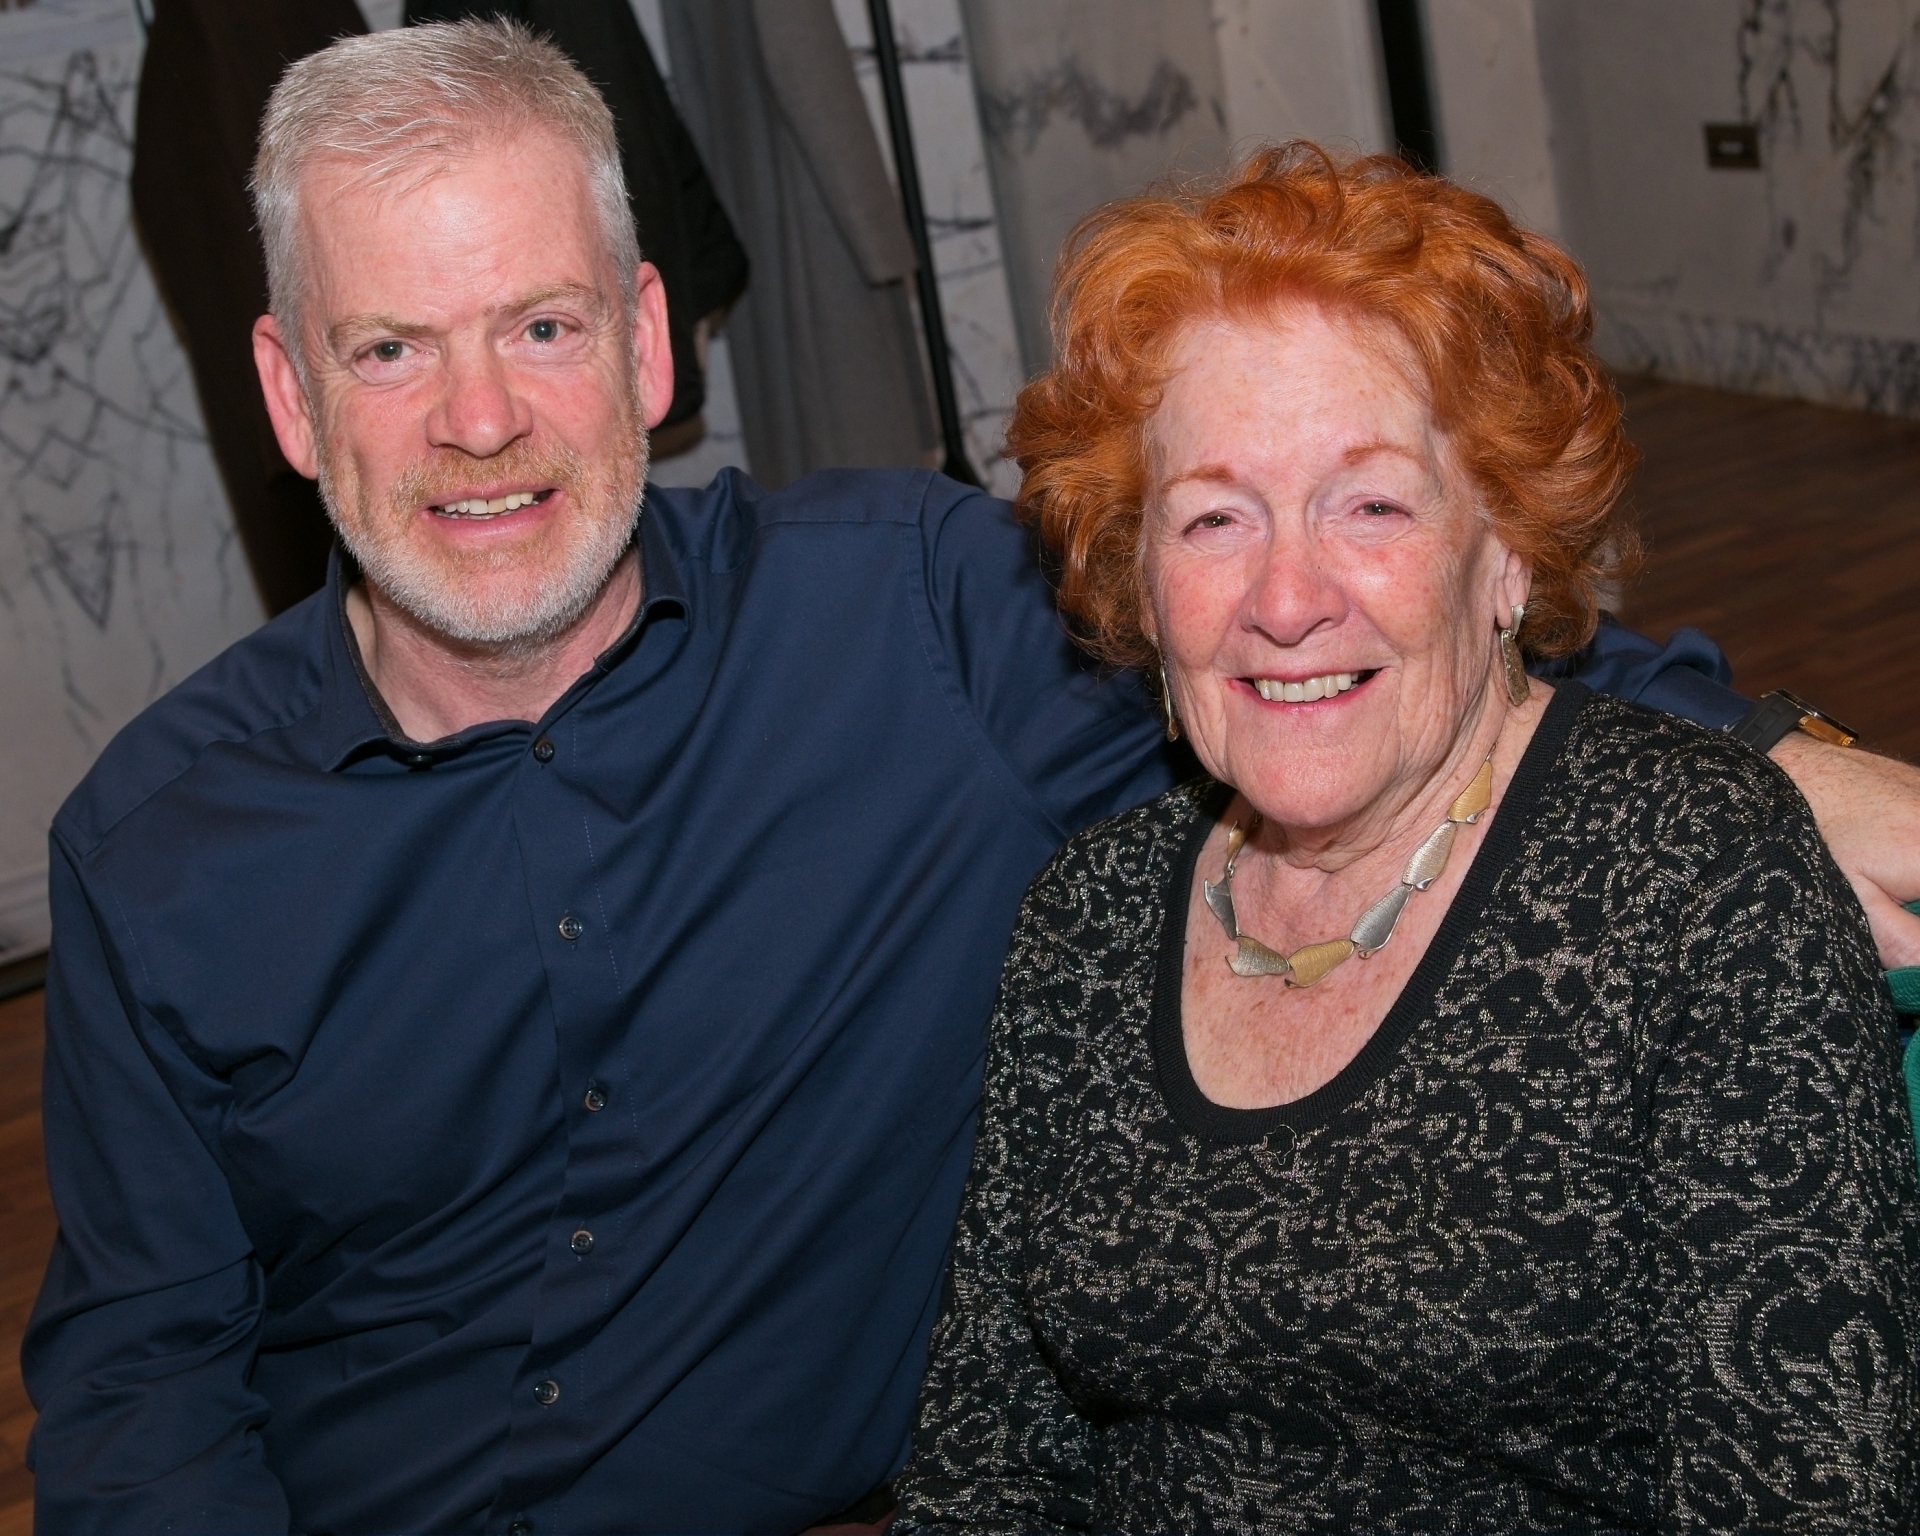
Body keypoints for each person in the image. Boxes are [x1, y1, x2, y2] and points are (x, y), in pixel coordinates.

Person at [21, 23, 1918, 1534]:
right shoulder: (155, 847)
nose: (483, 419)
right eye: (389, 349)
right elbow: (141, 1386)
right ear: (289, 395)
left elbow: (1312, 633)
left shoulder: (909, 618)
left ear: (649, 345)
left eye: (541, 325)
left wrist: (1763, 759)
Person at [891, 147, 1920, 1534]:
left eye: (1370, 504)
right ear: (1142, 576)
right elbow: (988, 1466)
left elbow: (1805, 1499)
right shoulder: (1087, 920)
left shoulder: (1700, 881)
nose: (1286, 599)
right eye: (1214, 518)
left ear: (1506, 555)